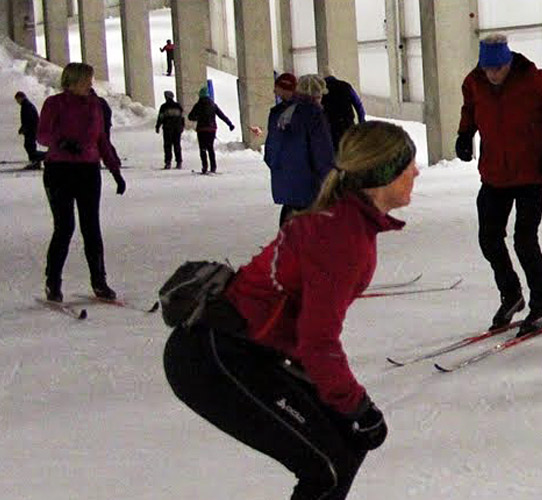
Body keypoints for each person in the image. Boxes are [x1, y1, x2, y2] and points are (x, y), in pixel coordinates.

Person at [164, 121, 416, 500]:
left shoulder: (350, 223)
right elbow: (318, 341)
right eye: (407, 164)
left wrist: (345, 405)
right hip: (216, 357)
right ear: (381, 173)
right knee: (326, 468)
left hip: (250, 351)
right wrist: (357, 405)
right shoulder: (341, 235)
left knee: (344, 447)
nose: (416, 172)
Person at [455, 34, 542, 334]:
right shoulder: (474, 82)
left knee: (525, 240)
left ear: (508, 62)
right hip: (494, 174)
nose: (493, 75)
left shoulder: (534, 81)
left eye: (498, 68)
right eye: (489, 69)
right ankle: (511, 295)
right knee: (489, 238)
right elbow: (470, 108)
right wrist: (464, 133)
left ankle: (541, 305)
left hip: (530, 174)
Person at [35, 63, 126, 302]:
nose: (90, 85)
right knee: (65, 227)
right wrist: (62, 142)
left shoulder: (95, 106)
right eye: (87, 81)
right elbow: (42, 135)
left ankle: (99, 282)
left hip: (88, 170)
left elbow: (101, 139)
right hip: (59, 171)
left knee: (91, 228)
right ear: (72, 82)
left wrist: (115, 169)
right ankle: (53, 282)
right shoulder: (54, 104)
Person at [264, 73, 336, 227]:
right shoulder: (314, 114)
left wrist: (282, 171)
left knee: (289, 222)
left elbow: (270, 152)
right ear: (317, 94)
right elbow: (322, 154)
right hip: (309, 186)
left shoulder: (279, 113)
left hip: (285, 183)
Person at [188, 87, 236, 174]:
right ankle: (213, 167)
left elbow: (190, 117)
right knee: (210, 148)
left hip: (202, 129)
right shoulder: (213, 105)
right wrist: (230, 124)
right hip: (211, 129)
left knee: (202, 148)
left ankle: (205, 167)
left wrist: (197, 117)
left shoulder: (198, 105)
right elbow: (221, 115)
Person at [323, 75, 367, 149]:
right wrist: (361, 121)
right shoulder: (346, 86)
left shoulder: (322, 89)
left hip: (330, 126)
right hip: (347, 122)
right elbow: (358, 104)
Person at [155, 90, 186, 169]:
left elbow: (161, 117)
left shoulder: (164, 107)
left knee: (167, 145)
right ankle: (179, 162)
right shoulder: (178, 106)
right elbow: (182, 117)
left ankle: (168, 162)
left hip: (168, 128)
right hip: (177, 128)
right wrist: (182, 126)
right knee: (177, 145)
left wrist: (158, 126)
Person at [15, 91, 45, 169]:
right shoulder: (26, 105)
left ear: (21, 98)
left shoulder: (27, 106)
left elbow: (30, 119)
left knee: (29, 146)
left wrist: (25, 128)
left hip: (32, 130)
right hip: (31, 129)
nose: (17, 102)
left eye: (17, 100)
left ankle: (45, 156)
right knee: (29, 146)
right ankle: (35, 162)